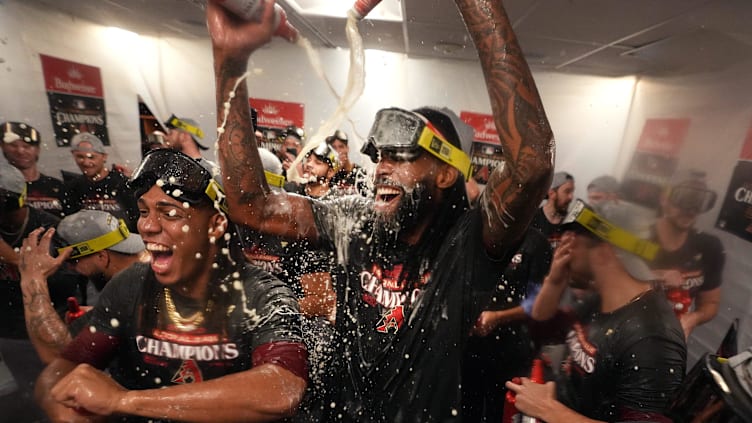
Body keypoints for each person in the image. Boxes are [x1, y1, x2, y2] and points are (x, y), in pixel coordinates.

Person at [208, 0, 554, 420]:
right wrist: (230, 62)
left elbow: (532, 164)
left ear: (445, 175)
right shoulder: (355, 222)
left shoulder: (466, 250)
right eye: (380, 156)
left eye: (402, 156)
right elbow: (252, 206)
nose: (382, 168)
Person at [35, 149, 308, 422]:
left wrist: (124, 400)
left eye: (170, 213)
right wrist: (60, 404)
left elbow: (281, 389)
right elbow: (62, 368)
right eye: (143, 211)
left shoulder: (263, 295)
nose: (148, 226)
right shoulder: (130, 285)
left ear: (215, 225)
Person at [515, 199, 686, 422]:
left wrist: (549, 409)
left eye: (573, 239)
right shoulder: (599, 300)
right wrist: (555, 283)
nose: (566, 247)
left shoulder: (652, 339)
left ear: (605, 251)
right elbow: (541, 331)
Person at [0, 162, 81, 422]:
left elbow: (69, 285)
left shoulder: (50, 230)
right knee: (32, 395)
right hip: (9, 331)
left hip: (47, 330)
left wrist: (16, 261)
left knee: (62, 396)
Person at [19, 210, 147, 365]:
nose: (70, 269)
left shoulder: (130, 291)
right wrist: (96, 314)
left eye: (72, 262)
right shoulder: (148, 268)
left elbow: (59, 356)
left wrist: (33, 278)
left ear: (102, 257)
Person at [462, 224, 552, 422]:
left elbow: (538, 303)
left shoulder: (536, 244)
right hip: (471, 346)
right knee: (467, 408)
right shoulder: (479, 235)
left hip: (509, 350)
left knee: (498, 411)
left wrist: (498, 317)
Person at [650, 169, 725, 338]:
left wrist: (693, 318)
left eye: (699, 201)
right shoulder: (635, 238)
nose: (691, 209)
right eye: (684, 198)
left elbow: (711, 302)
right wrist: (655, 276)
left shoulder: (708, 247)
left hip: (667, 347)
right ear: (664, 199)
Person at [62, 132, 139, 231]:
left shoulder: (122, 183)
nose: (86, 162)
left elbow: (136, 219)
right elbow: (71, 225)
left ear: (104, 157)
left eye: (91, 157)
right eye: (80, 157)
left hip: (124, 241)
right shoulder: (72, 187)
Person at [2, 121, 64, 216]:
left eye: (26, 146)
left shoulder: (57, 186)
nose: (20, 151)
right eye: (13, 145)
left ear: (37, 149)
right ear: (3, 147)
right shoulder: (3, 189)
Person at [530, 171, 575, 250]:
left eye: (572, 192)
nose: (571, 197)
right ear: (552, 193)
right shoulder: (532, 220)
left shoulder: (571, 223)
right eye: (567, 191)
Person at [326, 129, 367, 194]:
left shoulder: (360, 173)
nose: (338, 151)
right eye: (334, 148)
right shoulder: (331, 175)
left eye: (341, 147)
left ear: (347, 148)